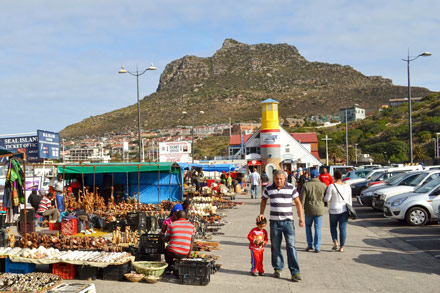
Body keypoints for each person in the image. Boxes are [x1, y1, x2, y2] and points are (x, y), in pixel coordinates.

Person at [257, 170, 305, 282]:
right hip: (274, 222)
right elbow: (264, 200)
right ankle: (277, 268)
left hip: (288, 222)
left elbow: (298, 203)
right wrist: (261, 213)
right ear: (273, 179)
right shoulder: (269, 188)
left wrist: (301, 218)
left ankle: (295, 272)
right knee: (275, 247)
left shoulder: (291, 188)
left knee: (291, 246)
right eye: (277, 179)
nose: (279, 181)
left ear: (285, 178)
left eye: (281, 179)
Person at [324, 171, 352, 252]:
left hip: (334, 209)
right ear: (341, 177)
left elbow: (327, 199)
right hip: (345, 209)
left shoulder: (331, 186)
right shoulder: (347, 186)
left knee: (333, 226)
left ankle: (335, 241)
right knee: (343, 228)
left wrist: (324, 199)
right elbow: (350, 199)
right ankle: (342, 246)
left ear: (334, 177)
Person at [300, 169, 327, 253]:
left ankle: (309, 245)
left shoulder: (306, 185)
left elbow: (302, 199)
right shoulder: (323, 185)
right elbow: (325, 198)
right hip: (319, 208)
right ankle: (317, 246)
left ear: (310, 175)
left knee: (308, 227)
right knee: (317, 227)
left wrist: (300, 209)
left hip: (308, 209)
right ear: (318, 176)